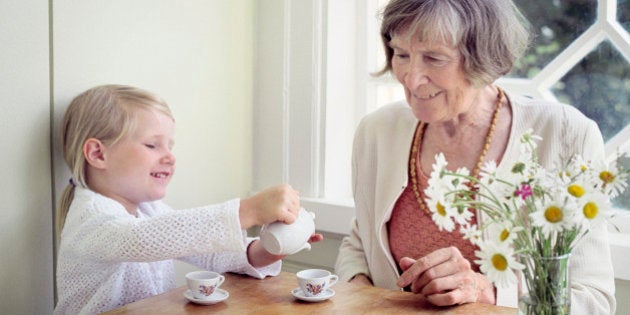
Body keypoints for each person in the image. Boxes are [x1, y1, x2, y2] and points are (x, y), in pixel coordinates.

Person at [334, 0, 616, 313]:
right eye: (402, 55)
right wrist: (358, 294)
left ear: (482, 59)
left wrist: (490, 292)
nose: (411, 79)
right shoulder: (377, 131)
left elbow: (593, 300)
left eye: (434, 58)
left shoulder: (564, 134)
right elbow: (360, 244)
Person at [54, 84, 323, 315]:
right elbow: (139, 240)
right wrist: (249, 210)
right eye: (152, 145)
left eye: (170, 146)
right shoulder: (89, 216)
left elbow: (210, 251)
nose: (170, 156)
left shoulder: (150, 211)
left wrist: (271, 247)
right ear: (98, 154)